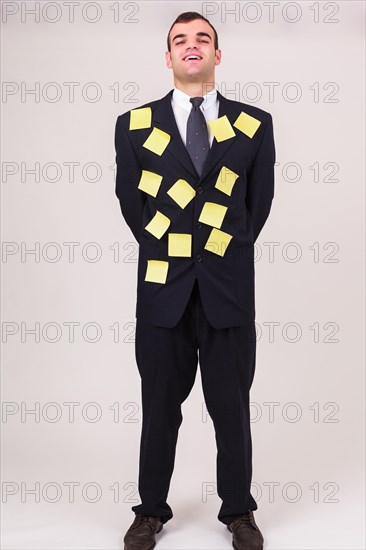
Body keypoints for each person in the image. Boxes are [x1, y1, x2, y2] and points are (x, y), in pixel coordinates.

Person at [114, 11, 275, 550]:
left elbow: (258, 206)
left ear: (216, 55)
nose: (192, 46)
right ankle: (150, 511)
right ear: (168, 57)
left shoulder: (254, 123)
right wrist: (176, 252)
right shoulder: (134, 124)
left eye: (202, 38)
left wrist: (218, 253)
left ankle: (240, 512)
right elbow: (131, 203)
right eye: (180, 39)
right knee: (159, 408)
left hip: (228, 291)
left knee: (231, 407)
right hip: (164, 293)